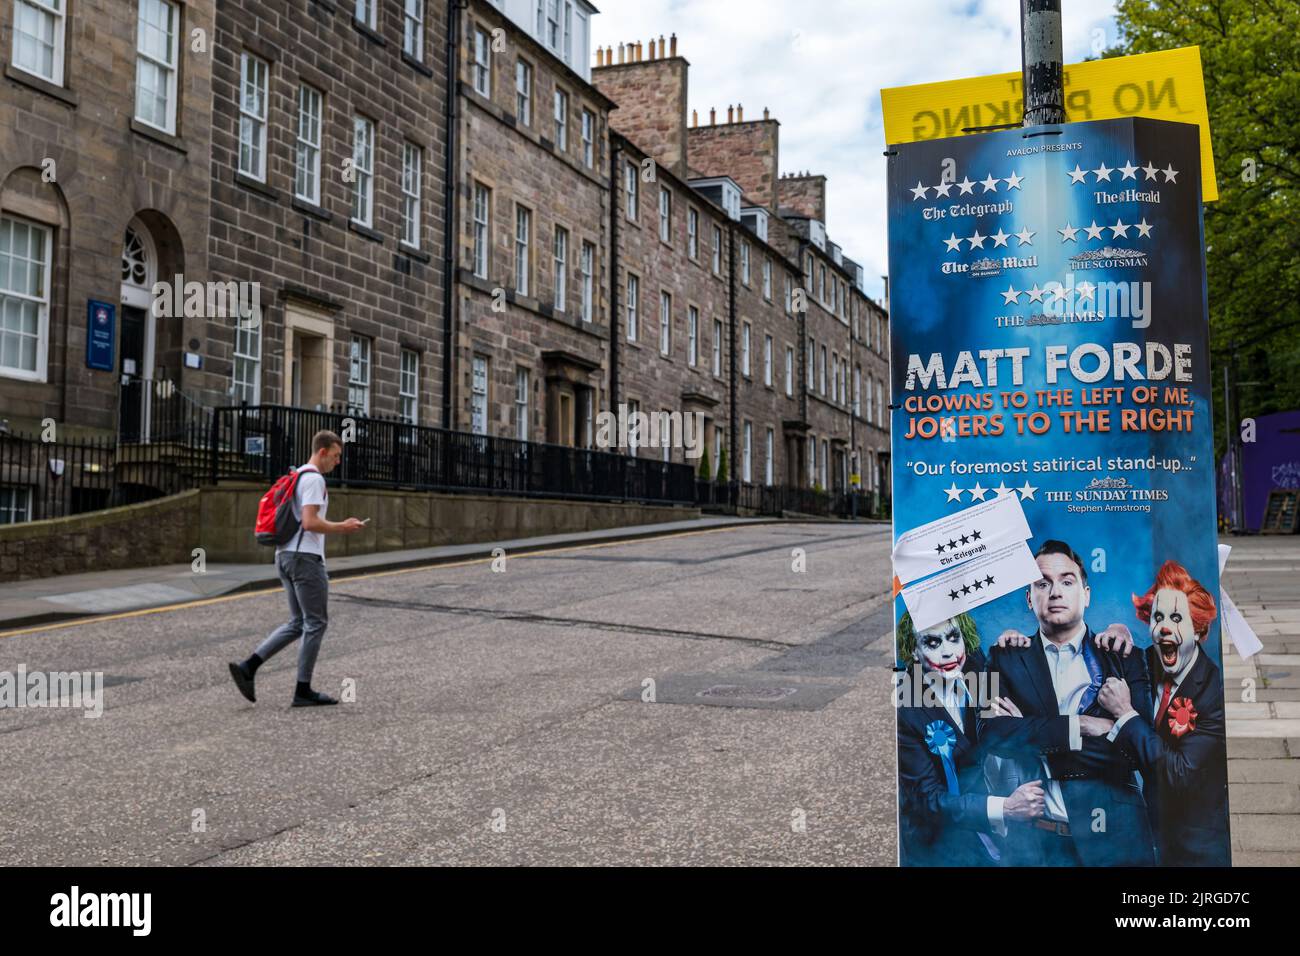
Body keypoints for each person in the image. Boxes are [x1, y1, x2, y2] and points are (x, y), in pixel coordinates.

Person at [978, 539, 1154, 866]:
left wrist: (1034, 743)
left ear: (1086, 594)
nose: (1055, 592)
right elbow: (989, 733)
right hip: (1036, 845)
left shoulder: (1124, 656)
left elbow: (1137, 750)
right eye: (1043, 583)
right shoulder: (1003, 656)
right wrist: (1081, 726)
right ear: (1030, 598)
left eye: (1067, 581)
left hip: (1117, 838)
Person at [1098, 560, 1231, 866]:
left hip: (1198, 842)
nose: (1164, 627)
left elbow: (1180, 773)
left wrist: (1126, 716)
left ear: (1197, 629)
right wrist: (1116, 629)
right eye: (1158, 617)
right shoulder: (1145, 661)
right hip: (1147, 830)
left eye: (1176, 617)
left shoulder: (1211, 689)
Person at [896, 611, 1046, 866]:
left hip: (1000, 831)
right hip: (939, 840)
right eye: (932, 643)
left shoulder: (974, 665)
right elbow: (928, 800)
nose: (948, 652)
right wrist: (1006, 807)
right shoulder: (905, 707)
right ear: (913, 651)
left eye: (954, 637)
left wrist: (1011, 645)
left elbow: (1003, 729)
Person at [228, 430, 365, 707]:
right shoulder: (314, 478)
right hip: (305, 559)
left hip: (285, 556)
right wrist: (344, 527)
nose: (338, 462)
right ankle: (303, 690)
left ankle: (248, 667)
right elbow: (310, 522)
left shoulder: (297, 474)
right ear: (323, 451)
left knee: (298, 622)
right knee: (316, 623)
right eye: (336, 456)